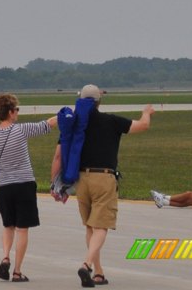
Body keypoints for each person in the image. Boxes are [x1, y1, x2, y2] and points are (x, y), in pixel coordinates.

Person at [51, 85, 153, 288]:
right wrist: (146, 113)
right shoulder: (111, 121)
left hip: (81, 180)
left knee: (90, 226)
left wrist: (55, 184)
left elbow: (58, 156)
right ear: (99, 102)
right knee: (101, 227)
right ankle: (86, 265)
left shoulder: (72, 125)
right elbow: (142, 126)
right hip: (103, 179)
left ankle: (98, 273)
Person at [0, 94, 58, 282]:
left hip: (2, 187)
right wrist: (65, 113)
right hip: (24, 184)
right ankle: (17, 271)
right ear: (11, 112)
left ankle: (5, 256)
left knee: (8, 225)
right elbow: (46, 125)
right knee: (22, 229)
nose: (18, 113)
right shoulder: (21, 130)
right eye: (17, 110)